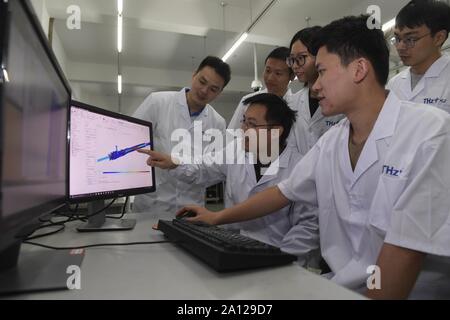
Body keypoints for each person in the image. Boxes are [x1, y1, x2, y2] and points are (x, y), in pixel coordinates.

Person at [176, 16, 450, 300]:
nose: (315, 86)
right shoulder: (332, 141)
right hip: (340, 284)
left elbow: (405, 249)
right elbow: (283, 192)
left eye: (321, 72)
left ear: (358, 70)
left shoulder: (430, 132)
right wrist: (216, 217)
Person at [139, 93, 320, 266]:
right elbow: (202, 168)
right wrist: (173, 163)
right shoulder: (236, 151)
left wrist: (284, 259)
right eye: (244, 122)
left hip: (278, 256)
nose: (243, 130)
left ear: (276, 131)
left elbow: (308, 226)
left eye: (252, 124)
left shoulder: (300, 167)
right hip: (232, 246)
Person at [132, 56, 231, 215]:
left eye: (213, 89)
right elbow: (132, 144)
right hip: (151, 205)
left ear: (219, 93)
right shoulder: (158, 102)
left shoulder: (218, 123)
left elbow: (214, 170)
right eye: (202, 81)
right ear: (194, 75)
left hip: (190, 209)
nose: (204, 91)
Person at [287, 27, 344, 155]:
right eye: (292, 59)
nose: (295, 66)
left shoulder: (342, 101)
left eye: (301, 58)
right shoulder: (292, 103)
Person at [387, 0, 450, 113]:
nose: (400, 47)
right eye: (397, 39)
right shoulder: (394, 84)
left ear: (439, 37)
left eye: (410, 39)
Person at [228, 47, 295, 130]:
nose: (270, 78)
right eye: (268, 71)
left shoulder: (296, 104)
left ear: (292, 76)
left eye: (278, 73)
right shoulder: (248, 101)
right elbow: (231, 135)